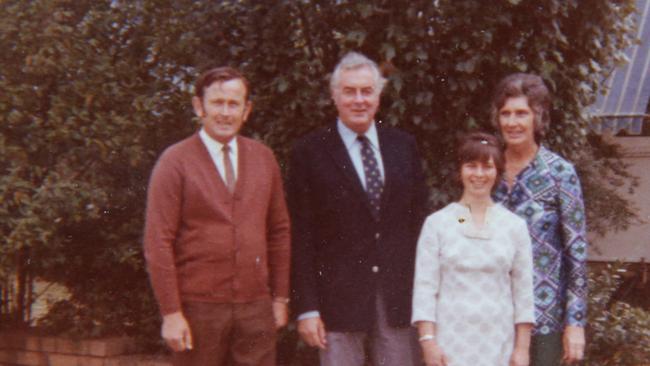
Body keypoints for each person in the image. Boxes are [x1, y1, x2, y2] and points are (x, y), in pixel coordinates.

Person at [288, 51, 429, 366]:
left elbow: (421, 220)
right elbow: (301, 235)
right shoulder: (309, 152)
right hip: (337, 301)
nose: (359, 100)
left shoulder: (403, 146)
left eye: (367, 91)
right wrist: (307, 308)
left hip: (397, 297)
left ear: (378, 96)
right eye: (350, 91)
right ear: (334, 96)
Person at [143, 67, 291, 366]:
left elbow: (279, 230)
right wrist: (171, 313)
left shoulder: (264, 158)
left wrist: (280, 298)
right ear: (199, 106)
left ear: (246, 110)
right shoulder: (175, 161)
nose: (225, 112)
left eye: (233, 104)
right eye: (217, 103)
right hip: (199, 310)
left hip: (255, 308)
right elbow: (158, 241)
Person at [412, 132, 535, 366]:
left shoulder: (514, 226)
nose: (479, 174)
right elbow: (425, 288)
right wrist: (428, 342)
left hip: (499, 344)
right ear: (460, 170)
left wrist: (522, 348)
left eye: (487, 167)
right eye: (471, 166)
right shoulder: (439, 223)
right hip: (449, 344)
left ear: (497, 171)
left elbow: (524, 292)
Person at [490, 73, 588, 365]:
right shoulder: (485, 170)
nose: (512, 122)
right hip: (491, 318)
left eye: (522, 113)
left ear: (539, 117)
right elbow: (462, 225)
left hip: (544, 320)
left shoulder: (560, 174)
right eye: (505, 114)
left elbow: (577, 255)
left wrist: (576, 323)